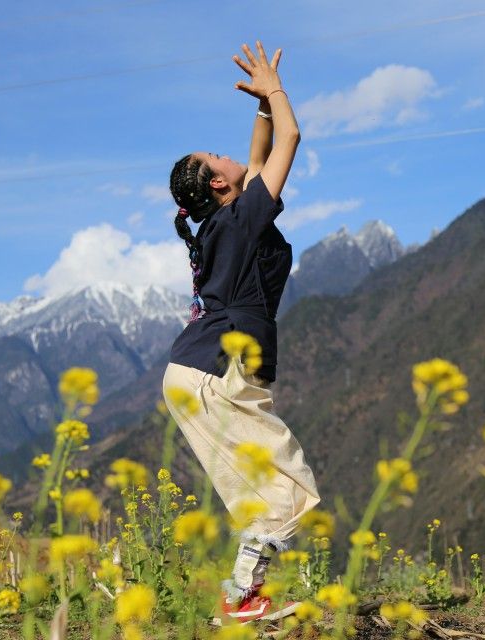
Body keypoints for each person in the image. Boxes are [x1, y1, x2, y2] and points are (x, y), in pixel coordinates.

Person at [162, 41, 320, 623]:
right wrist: (276, 91)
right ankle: (241, 597)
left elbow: (258, 155)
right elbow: (290, 142)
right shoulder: (239, 217)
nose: (232, 157)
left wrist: (260, 104)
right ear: (221, 186)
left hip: (197, 371)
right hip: (212, 372)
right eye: (219, 158)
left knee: (267, 488)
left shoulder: (223, 221)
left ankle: (244, 597)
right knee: (287, 484)